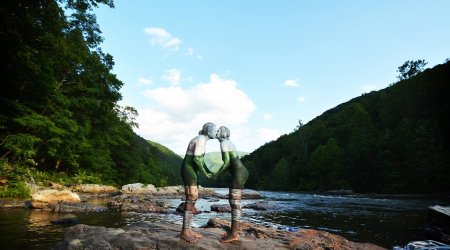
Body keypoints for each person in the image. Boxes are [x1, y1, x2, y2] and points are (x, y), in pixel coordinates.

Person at [180, 122, 216, 243]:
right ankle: (185, 232)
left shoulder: (201, 139)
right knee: (192, 197)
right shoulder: (201, 140)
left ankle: (188, 230)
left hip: (190, 169)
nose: (216, 132)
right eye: (214, 130)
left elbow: (200, 160)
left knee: (193, 198)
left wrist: (209, 171)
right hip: (189, 169)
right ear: (208, 131)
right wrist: (206, 174)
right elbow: (196, 159)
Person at [213, 126, 249, 243]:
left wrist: (217, 174)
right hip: (241, 172)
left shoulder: (224, 143)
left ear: (223, 134)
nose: (216, 132)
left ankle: (233, 233)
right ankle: (233, 231)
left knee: (234, 203)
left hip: (239, 173)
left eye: (219, 131)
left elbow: (227, 162)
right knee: (234, 203)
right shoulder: (228, 142)